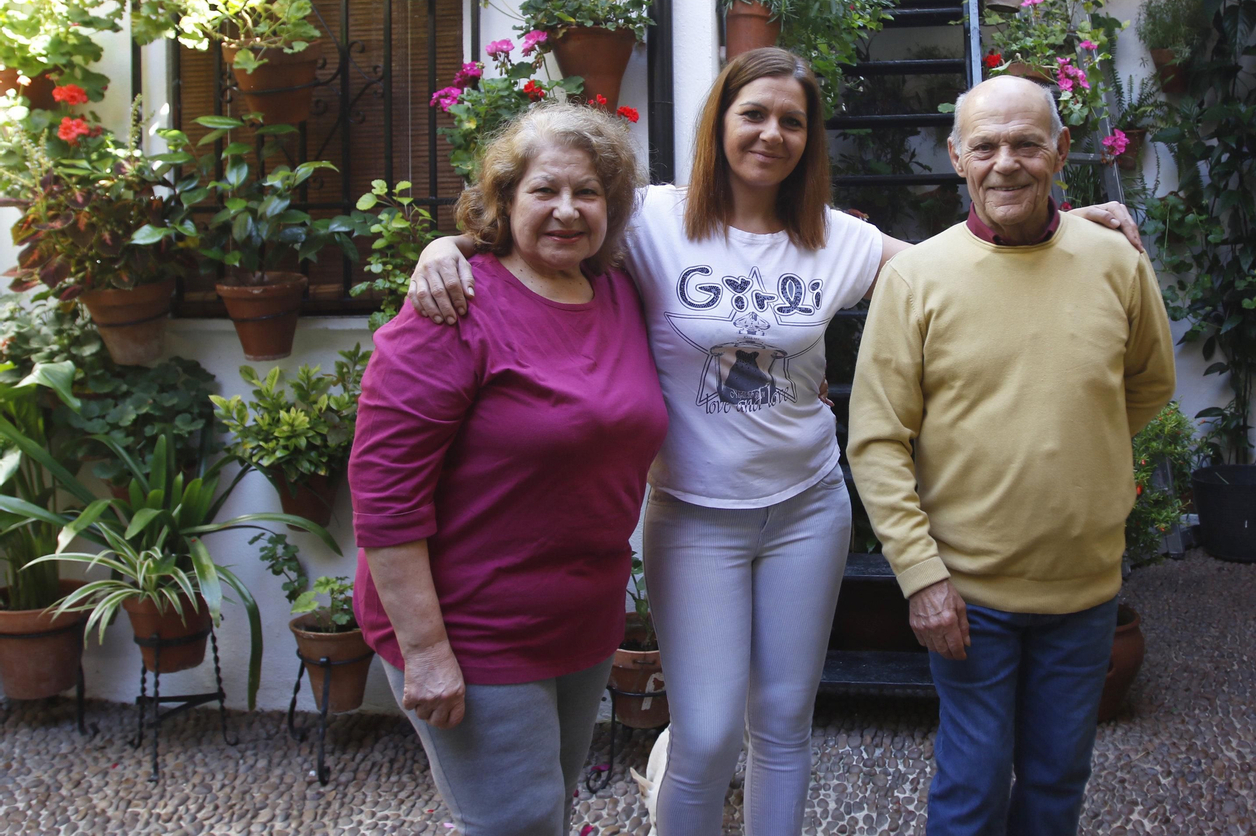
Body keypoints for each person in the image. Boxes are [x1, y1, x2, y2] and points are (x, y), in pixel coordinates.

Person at [407, 50, 1145, 836]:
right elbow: (543, 234)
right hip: (694, 514)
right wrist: (447, 250)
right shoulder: (653, 220)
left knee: (787, 726)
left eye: (792, 120)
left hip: (807, 509)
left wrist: (1073, 229)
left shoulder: (838, 240)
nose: (772, 133)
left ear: (810, 137)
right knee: (709, 731)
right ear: (719, 121)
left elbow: (956, 267)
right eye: (752, 113)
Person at [847, 75, 1177, 836]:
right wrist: (922, 578)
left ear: (1061, 152)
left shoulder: (1116, 261)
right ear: (957, 157)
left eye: (1027, 143)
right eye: (986, 146)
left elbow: (1148, 384)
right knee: (972, 785)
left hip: (1085, 588)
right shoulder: (916, 277)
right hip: (968, 597)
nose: (1007, 163)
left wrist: (1079, 447)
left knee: (1060, 780)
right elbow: (876, 438)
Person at [348, 103, 668, 836]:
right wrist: (426, 653)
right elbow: (384, 495)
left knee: (546, 810)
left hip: (578, 621)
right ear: (503, 201)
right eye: (543, 191)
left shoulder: (617, 291)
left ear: (611, 208)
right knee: (513, 821)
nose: (567, 211)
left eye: (586, 193)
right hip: (472, 626)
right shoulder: (453, 307)